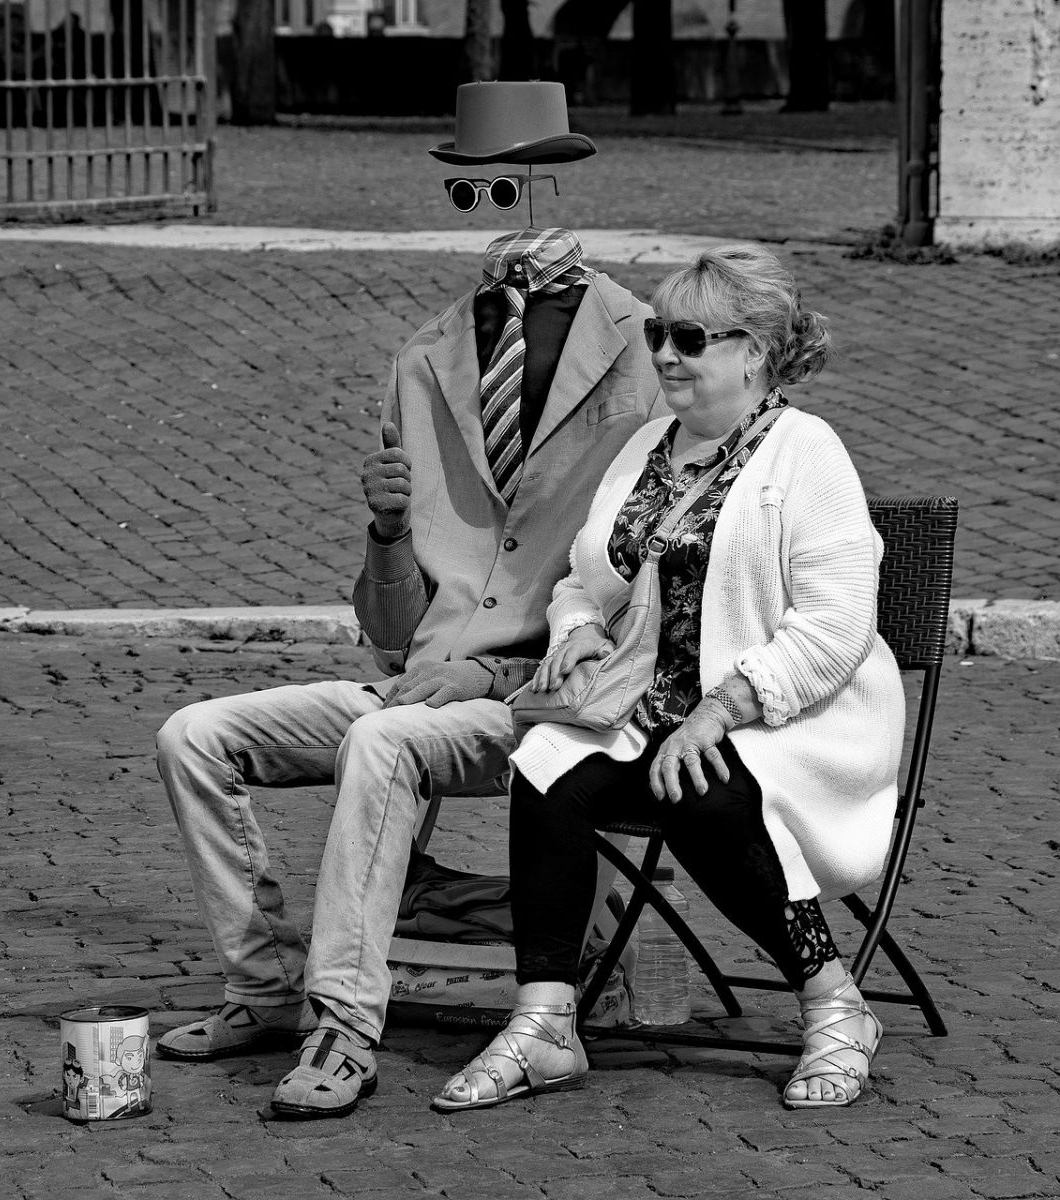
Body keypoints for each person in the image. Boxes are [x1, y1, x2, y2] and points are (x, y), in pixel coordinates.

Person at [154, 85, 665, 1120]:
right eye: (474, 188)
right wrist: (387, 532)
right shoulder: (427, 357)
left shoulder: (647, 349)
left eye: (510, 184)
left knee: (382, 744)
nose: (495, 206)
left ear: (554, 184)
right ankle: (265, 986)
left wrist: (485, 672)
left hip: (553, 699)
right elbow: (394, 637)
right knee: (192, 736)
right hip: (421, 688)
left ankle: (344, 1027)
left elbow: (648, 594)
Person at [433, 243, 906, 1113]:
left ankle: (836, 1003)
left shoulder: (807, 452)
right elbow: (586, 576)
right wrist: (578, 630)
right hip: (649, 709)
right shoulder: (649, 445)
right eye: (658, 334)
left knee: (696, 785)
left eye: (689, 339)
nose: (664, 355)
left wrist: (720, 710)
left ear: (752, 352)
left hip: (788, 718)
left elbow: (836, 627)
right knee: (547, 770)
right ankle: (544, 1024)